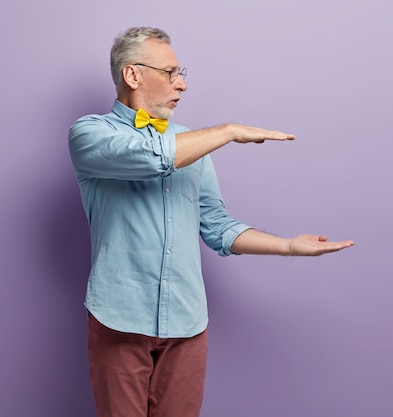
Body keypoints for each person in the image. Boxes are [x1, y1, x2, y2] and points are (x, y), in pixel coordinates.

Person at [68, 26, 354, 417]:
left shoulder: (193, 142)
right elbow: (154, 156)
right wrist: (227, 131)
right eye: (170, 72)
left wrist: (288, 246)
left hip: (187, 321)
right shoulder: (89, 134)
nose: (181, 84)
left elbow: (217, 227)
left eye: (180, 72)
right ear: (133, 75)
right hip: (120, 317)